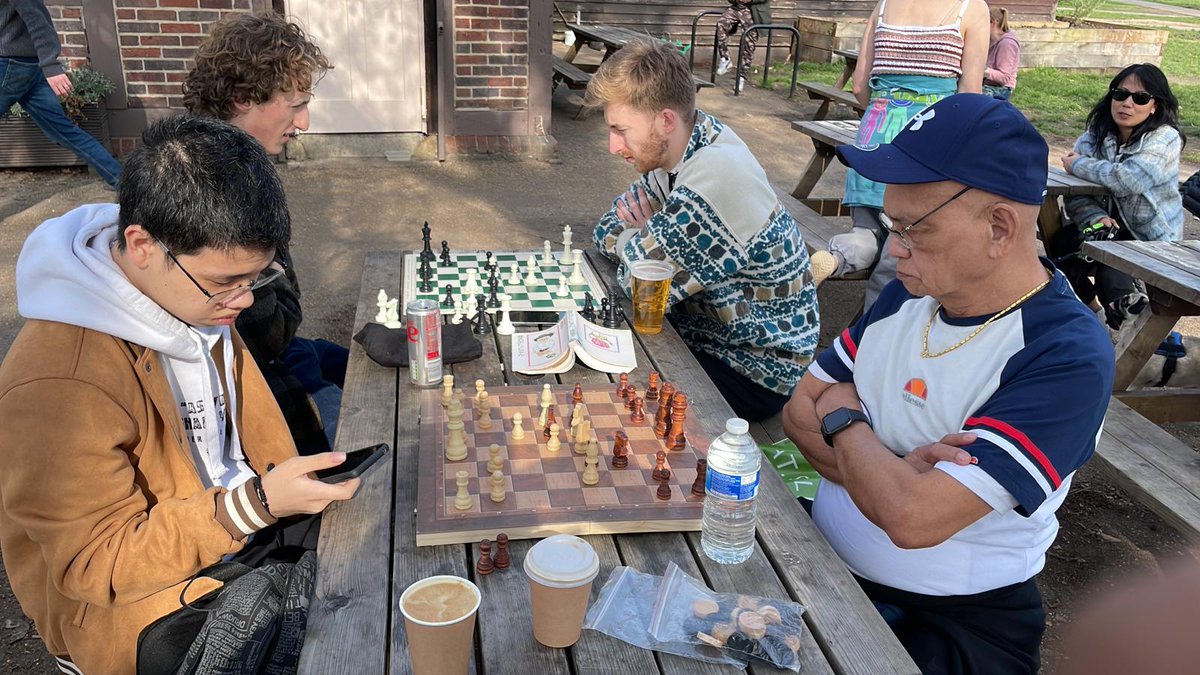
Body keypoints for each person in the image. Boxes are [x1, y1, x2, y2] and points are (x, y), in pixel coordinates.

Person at [0, 115, 360, 674]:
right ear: (142, 244)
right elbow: (97, 566)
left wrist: (259, 501)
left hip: (237, 529)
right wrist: (254, 505)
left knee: (378, 541)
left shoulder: (189, 293)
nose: (243, 302)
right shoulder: (59, 382)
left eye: (256, 278)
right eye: (225, 283)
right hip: (142, 606)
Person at [782, 94, 1114, 674]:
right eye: (890, 224)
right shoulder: (905, 297)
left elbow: (913, 520)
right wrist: (890, 478)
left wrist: (844, 418)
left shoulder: (1063, 353)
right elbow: (794, 416)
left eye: (914, 228)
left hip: (953, 625)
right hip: (820, 562)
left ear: (1000, 226)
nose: (894, 249)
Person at [585, 39, 819, 422]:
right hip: (706, 335)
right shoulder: (676, 147)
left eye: (620, 130)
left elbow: (637, 285)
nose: (613, 146)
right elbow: (607, 226)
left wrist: (644, 240)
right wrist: (645, 238)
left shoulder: (716, 175)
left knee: (609, 394)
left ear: (665, 119)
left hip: (752, 369)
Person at [183, 12, 349, 455]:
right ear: (242, 98)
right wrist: (283, 293)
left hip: (277, 354)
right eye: (295, 105)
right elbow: (270, 332)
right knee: (377, 430)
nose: (305, 122)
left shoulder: (218, 157)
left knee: (366, 362)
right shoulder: (219, 188)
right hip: (254, 380)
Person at [808, 0, 987, 310]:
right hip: (925, 148)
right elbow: (970, 94)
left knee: (866, 233)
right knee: (900, 261)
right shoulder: (970, 8)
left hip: (873, 141)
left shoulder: (885, 5)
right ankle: (875, 339)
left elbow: (860, 86)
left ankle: (839, 256)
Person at [1058, 63, 1184, 331]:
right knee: (1055, 257)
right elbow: (1076, 195)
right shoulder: (1094, 136)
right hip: (1104, 229)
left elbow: (1130, 179)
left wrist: (1079, 165)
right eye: (1120, 94)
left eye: (1139, 98)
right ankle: (1093, 315)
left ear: (1155, 106)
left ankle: (1128, 322)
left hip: (1151, 238)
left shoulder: (1165, 138)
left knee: (1113, 264)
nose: (1127, 103)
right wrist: (1096, 217)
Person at [1, 0, 121, 187]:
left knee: (66, 132)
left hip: (10, 65)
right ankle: (126, 184)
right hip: (26, 67)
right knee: (65, 132)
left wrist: (50, 64)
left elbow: (35, 14)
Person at [714, 0, 771, 92]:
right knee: (721, 25)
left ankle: (741, 76)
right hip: (737, 8)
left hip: (754, 12)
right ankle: (725, 59)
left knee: (748, 43)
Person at [982, 7, 1020, 100]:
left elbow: (1004, 77)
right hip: (990, 84)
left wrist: (984, 70)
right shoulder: (993, 39)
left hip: (1001, 89)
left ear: (993, 23)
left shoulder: (1007, 43)